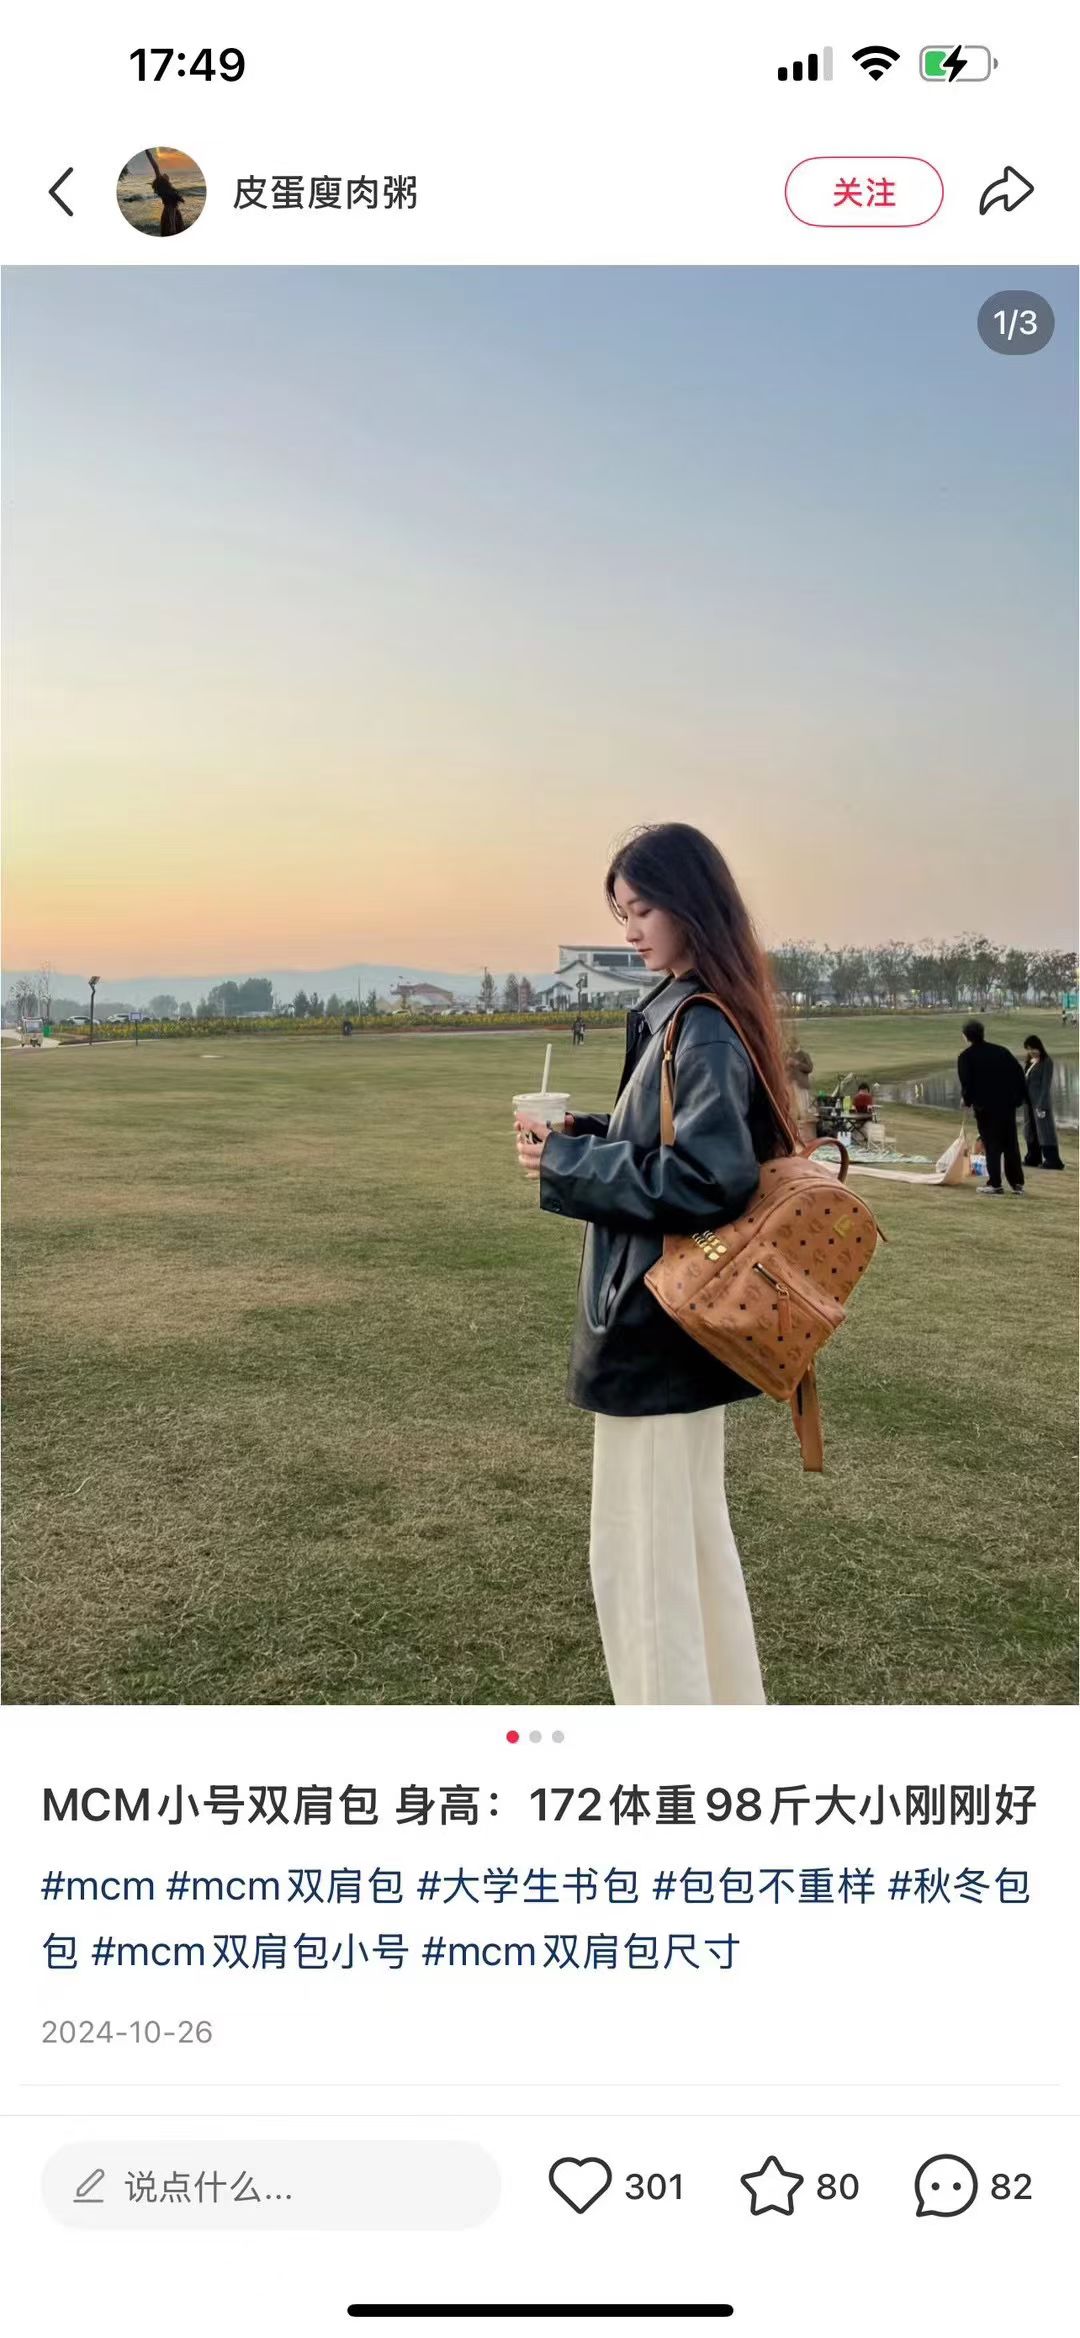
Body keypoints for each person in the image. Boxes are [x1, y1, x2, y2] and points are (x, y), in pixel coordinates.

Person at [513, 821, 793, 1706]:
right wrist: (582, 1136)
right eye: (622, 913)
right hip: (667, 1329)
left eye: (641, 910)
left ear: (689, 906)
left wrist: (565, 1166)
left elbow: (710, 1177)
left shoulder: (699, 1022)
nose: (629, 931)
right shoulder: (688, 1009)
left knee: (647, 1563)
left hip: (656, 1325)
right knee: (682, 1549)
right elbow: (667, 1140)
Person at [956, 1018, 1027, 1195]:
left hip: (985, 1108)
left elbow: (967, 1083)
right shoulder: (1001, 1051)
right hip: (1006, 1106)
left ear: (965, 1036)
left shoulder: (966, 1057)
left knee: (992, 1144)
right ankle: (1017, 1183)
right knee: (1010, 1144)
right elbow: (1018, 1074)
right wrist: (1018, 1098)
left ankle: (995, 1183)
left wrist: (966, 1100)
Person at [1022, 1035, 1064, 1170]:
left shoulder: (1047, 1062)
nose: (1031, 1051)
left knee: (1045, 1131)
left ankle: (1053, 1160)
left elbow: (1045, 1086)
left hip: (1040, 1102)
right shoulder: (1030, 1061)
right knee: (1030, 1130)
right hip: (1028, 1102)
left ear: (1039, 1047)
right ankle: (1033, 1158)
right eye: (1028, 1049)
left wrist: (1041, 1104)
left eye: (1033, 1048)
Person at [146, 150, 186, 237]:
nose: (164, 174)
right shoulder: (167, 191)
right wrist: (148, 154)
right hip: (172, 216)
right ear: (164, 181)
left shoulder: (166, 192)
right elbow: (155, 167)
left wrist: (149, 155)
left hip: (168, 214)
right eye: (164, 175)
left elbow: (171, 208)